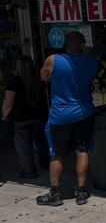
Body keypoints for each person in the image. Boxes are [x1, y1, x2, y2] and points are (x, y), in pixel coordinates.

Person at [37, 31, 98, 206]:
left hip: (60, 116)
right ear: (82, 45)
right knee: (82, 151)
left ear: (65, 44)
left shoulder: (53, 60)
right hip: (85, 112)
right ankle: (80, 192)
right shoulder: (92, 62)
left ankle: (55, 194)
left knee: (56, 154)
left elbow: (44, 76)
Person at [1, 55, 49, 179]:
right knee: (41, 142)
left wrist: (4, 115)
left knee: (24, 146)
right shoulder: (39, 80)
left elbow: (8, 102)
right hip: (38, 116)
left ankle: (29, 172)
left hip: (20, 119)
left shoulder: (15, 82)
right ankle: (46, 164)